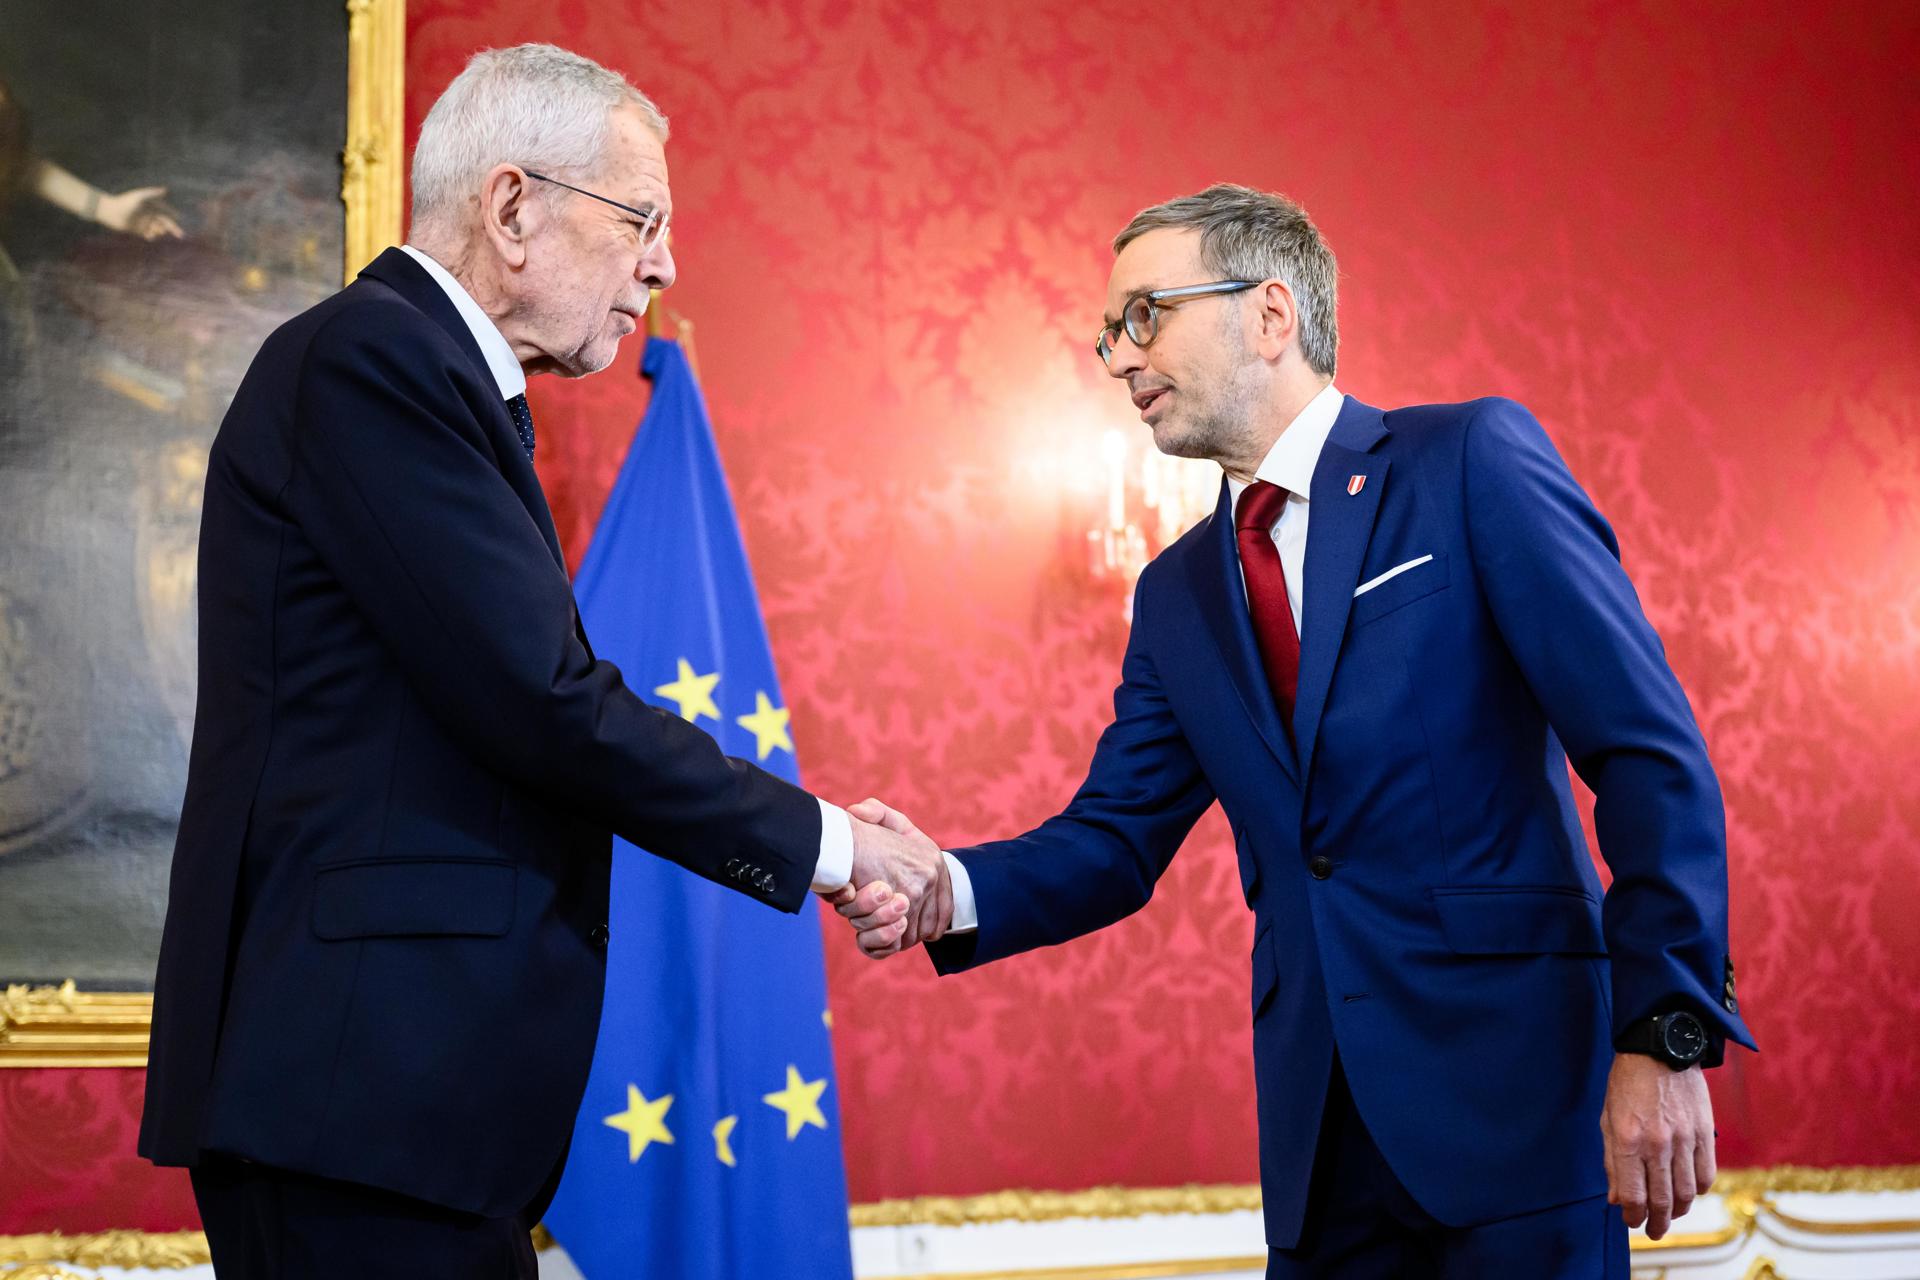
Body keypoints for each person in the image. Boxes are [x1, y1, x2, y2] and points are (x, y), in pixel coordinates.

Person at [835, 183, 1753, 1278]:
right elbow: (1113, 841)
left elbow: (1647, 752)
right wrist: (949, 883)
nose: (1119, 359)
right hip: (1320, 1147)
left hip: (1518, 1114)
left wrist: (1665, 1033)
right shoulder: (1175, 593)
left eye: (1146, 316)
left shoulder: (1467, 462)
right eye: (1107, 334)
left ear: (1271, 314)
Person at [138, 44, 939, 1278]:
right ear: (512, 208)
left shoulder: (427, 377)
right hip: (358, 1103)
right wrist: (831, 845)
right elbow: (544, 703)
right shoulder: (372, 358)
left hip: (410, 1110)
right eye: (642, 221)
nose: (663, 267)